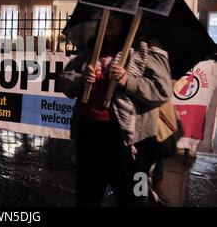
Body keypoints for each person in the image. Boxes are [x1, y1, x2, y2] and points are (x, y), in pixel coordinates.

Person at [57, 12, 173, 207]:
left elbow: (162, 91)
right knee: (86, 197)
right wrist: (80, 79)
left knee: (134, 198)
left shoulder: (148, 49)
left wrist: (128, 81)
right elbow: (63, 80)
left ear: (128, 21)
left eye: (116, 17)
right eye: (105, 15)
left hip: (130, 144)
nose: (108, 21)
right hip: (90, 136)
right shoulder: (92, 49)